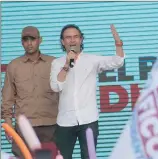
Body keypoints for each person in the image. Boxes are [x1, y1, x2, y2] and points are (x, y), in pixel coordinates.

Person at [50, 24, 125, 159]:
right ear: (62, 41)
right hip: (65, 121)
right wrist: (67, 65)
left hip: (89, 119)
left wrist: (118, 43)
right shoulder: (57, 63)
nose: (72, 40)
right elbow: (56, 87)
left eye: (76, 37)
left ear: (81, 39)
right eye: (68, 37)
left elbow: (118, 62)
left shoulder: (92, 60)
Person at [1, 26, 59, 158]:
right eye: (25, 40)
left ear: (40, 40)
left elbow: (64, 94)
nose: (29, 43)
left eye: (32, 39)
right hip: (24, 127)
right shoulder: (14, 66)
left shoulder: (53, 63)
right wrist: (8, 124)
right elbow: (7, 98)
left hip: (51, 126)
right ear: (22, 42)